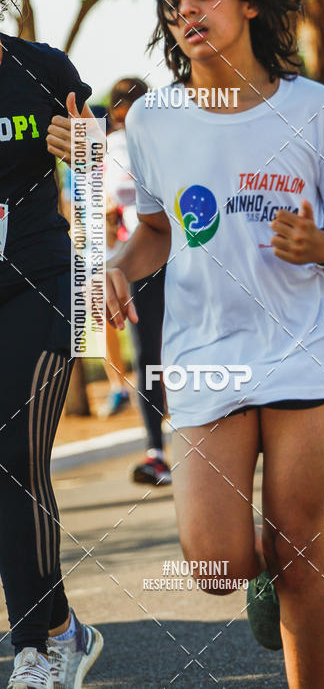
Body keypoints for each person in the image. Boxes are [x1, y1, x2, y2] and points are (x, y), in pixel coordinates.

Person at [104, 0, 324, 688]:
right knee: (218, 562)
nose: (188, 10)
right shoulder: (152, 121)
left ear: (249, 2)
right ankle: (260, 574)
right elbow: (155, 231)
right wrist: (117, 270)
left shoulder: (312, 108)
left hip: (303, 338)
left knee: (297, 546)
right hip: (204, 347)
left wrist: (320, 245)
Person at [0, 0, 103, 686]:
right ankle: (64, 624)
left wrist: (87, 149)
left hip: (38, 280)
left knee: (15, 458)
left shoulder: (42, 70)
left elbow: (97, 194)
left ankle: (40, 645)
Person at [103, 77, 169, 485]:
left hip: (183, 257)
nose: (127, 116)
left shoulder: (167, 141)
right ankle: (156, 450)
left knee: (182, 352)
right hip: (135, 263)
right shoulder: (104, 149)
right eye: (123, 108)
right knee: (147, 356)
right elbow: (87, 211)